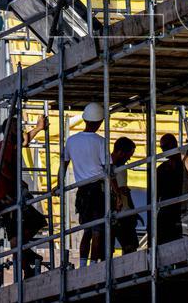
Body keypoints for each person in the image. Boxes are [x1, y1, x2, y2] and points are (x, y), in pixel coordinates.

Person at [0, 113, 49, 278]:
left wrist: (38, 128)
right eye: (17, 127)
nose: (21, 130)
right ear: (10, 131)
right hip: (5, 197)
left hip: (5, 197)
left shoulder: (10, 145)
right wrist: (18, 183)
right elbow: (3, 169)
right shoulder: (5, 147)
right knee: (30, 225)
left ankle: (24, 260)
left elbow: (25, 140)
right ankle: (22, 253)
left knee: (22, 230)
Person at [59, 102, 108, 266]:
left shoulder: (72, 141)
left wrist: (58, 185)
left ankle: (82, 264)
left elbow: (64, 164)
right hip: (97, 190)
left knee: (87, 230)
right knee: (97, 231)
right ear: (99, 122)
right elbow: (108, 169)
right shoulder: (101, 142)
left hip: (82, 190)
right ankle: (93, 266)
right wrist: (116, 193)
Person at [155, 133, 188, 244]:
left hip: (183, 211)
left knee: (183, 245)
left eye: (165, 147)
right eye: (162, 148)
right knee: (163, 244)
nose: (164, 150)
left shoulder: (186, 163)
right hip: (166, 211)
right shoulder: (161, 169)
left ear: (173, 145)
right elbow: (156, 194)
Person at [110, 136, 138, 254]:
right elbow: (123, 191)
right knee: (130, 245)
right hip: (121, 213)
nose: (129, 158)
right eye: (128, 155)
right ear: (120, 152)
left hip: (118, 212)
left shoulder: (107, 165)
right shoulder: (118, 168)